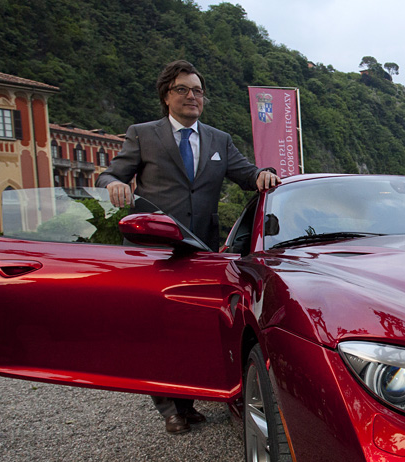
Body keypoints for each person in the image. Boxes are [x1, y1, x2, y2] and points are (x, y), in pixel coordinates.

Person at [97, 59, 280, 435]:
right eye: (183, 89)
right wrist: (114, 184)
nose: (192, 96)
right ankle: (169, 406)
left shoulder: (218, 139)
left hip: (201, 248)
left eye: (197, 90)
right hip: (154, 247)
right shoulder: (142, 133)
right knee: (158, 328)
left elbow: (246, 173)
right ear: (167, 96)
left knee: (193, 327)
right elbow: (112, 172)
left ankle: (189, 399)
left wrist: (262, 174)